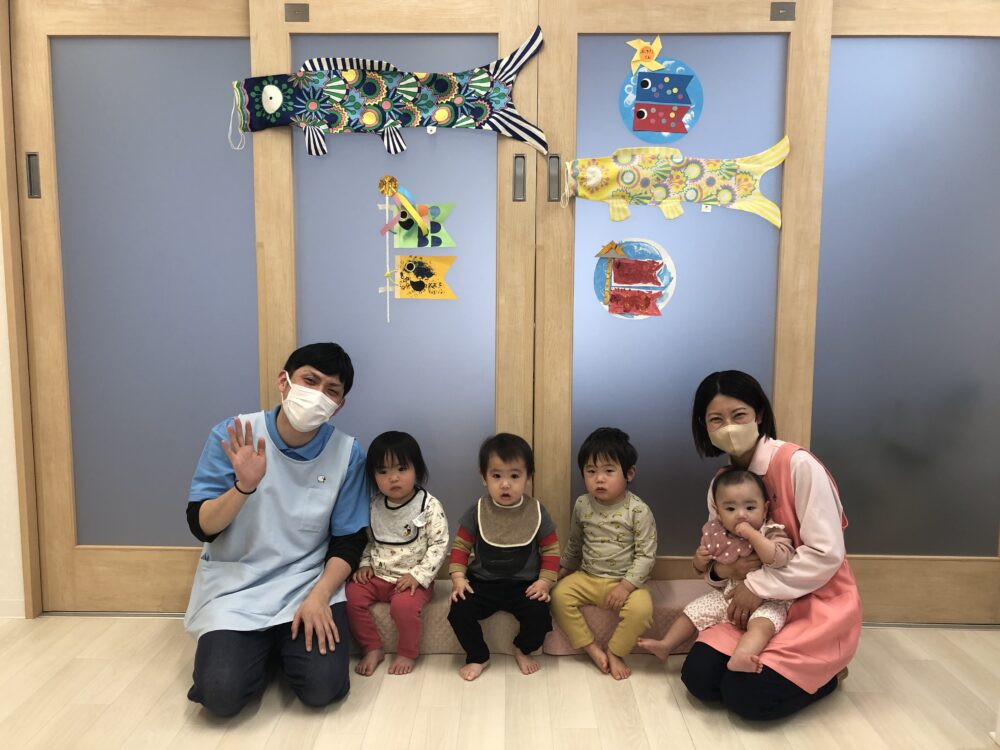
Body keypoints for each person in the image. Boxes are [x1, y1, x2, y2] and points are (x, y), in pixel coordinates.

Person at [183, 342, 369, 717]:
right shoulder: (235, 434)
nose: (318, 395)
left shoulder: (347, 454)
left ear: (339, 404)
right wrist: (244, 486)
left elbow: (348, 543)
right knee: (219, 695)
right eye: (309, 380)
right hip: (237, 588)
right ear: (283, 381)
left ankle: (279, 650)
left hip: (306, 585)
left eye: (331, 390)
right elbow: (202, 526)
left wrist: (319, 597)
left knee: (322, 688)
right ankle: (261, 652)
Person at [678, 370, 862, 720]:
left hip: (812, 601)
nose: (728, 427)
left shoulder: (798, 464)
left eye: (739, 415)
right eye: (716, 419)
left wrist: (757, 586)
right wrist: (720, 570)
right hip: (750, 608)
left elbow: (826, 554)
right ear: (704, 426)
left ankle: (829, 674)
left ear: (759, 414)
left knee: (747, 699)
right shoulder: (721, 483)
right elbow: (719, 551)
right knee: (699, 680)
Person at [638, 467, 794, 673]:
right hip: (728, 594)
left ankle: (742, 656)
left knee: (762, 625)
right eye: (730, 509)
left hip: (769, 599)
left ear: (764, 509)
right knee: (693, 611)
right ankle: (666, 645)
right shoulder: (719, 534)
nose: (741, 515)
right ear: (719, 514)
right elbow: (705, 570)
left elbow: (781, 557)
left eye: (750, 507)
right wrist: (699, 560)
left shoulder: (771, 531)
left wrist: (753, 535)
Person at [446, 433, 560, 681]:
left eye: (514, 476)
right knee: (458, 612)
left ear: (528, 477)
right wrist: (458, 578)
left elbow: (551, 549)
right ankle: (478, 655)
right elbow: (461, 546)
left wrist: (544, 582)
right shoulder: (477, 510)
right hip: (482, 584)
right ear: (483, 477)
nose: (505, 484)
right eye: (496, 476)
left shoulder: (537, 511)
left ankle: (522, 648)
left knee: (540, 615)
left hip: (525, 586)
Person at [551, 427, 657, 680]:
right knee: (558, 596)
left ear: (629, 473)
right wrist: (564, 569)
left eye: (609, 471)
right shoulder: (582, 504)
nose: (599, 479)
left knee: (642, 611)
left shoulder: (638, 510)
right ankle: (590, 647)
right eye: (591, 471)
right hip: (588, 577)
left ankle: (615, 652)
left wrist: (626, 587)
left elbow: (646, 555)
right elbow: (575, 542)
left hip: (626, 581)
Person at [346, 431, 449, 677]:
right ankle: (372, 647)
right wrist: (365, 564)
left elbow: (439, 544)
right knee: (350, 596)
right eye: (383, 471)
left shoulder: (429, 505)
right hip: (378, 576)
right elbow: (370, 540)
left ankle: (407, 652)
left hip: (412, 580)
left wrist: (419, 575)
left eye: (402, 469)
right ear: (373, 476)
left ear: (417, 469)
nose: (393, 478)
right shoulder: (374, 505)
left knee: (403, 608)